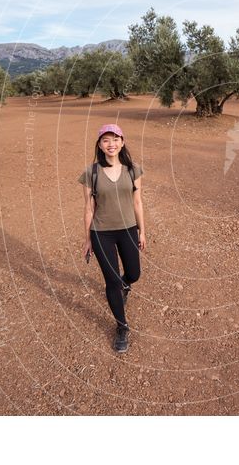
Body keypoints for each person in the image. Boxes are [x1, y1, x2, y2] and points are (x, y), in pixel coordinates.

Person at [79, 124, 146, 353]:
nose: (111, 144)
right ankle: (122, 326)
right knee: (112, 282)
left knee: (134, 274)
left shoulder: (133, 169)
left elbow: (138, 203)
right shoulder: (92, 172)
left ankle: (126, 284)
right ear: (99, 145)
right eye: (106, 140)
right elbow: (89, 208)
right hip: (101, 233)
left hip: (128, 229)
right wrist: (88, 239)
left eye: (115, 139)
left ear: (122, 142)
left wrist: (142, 231)